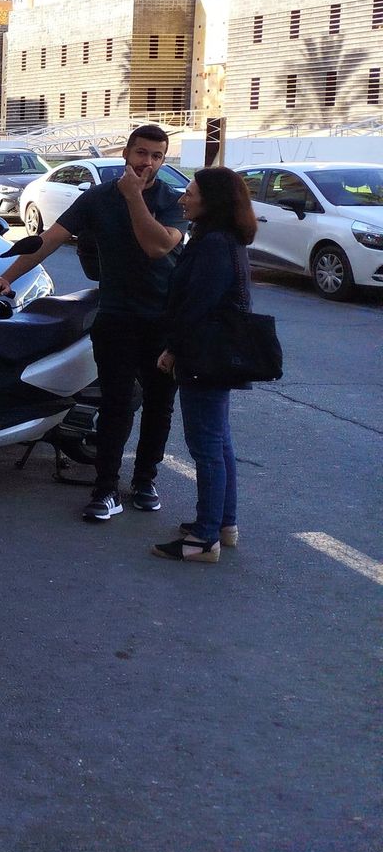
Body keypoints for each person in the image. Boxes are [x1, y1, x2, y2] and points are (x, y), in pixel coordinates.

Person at [0, 125, 185, 523]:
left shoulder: (171, 201)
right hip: (115, 316)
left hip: (165, 319)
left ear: (163, 161)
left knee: (160, 405)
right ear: (127, 153)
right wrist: (9, 276)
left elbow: (158, 246)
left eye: (157, 156)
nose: (147, 162)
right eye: (141, 153)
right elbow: (50, 239)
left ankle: (146, 480)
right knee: (115, 404)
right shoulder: (96, 198)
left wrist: (133, 199)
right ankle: (106, 489)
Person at [151, 168, 256, 563]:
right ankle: (222, 524)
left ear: (211, 201)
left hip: (204, 355)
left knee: (206, 446)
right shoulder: (224, 240)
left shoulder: (213, 244)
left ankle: (204, 538)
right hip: (217, 354)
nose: (182, 198)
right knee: (219, 441)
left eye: (190, 193)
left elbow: (197, 304)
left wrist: (173, 349)